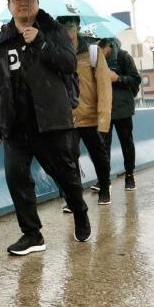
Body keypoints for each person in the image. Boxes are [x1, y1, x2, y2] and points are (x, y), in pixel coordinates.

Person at [0, 0, 91, 255]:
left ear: (38, 1)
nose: (24, 3)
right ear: (9, 4)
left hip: (51, 121)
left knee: (65, 174)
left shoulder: (53, 30)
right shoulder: (1, 40)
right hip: (15, 124)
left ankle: (79, 210)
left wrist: (41, 42)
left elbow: (69, 64)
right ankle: (32, 234)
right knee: (16, 177)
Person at [57, 16, 113, 208]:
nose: (67, 30)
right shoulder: (55, 52)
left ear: (78, 27)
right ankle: (73, 199)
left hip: (90, 117)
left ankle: (105, 188)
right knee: (68, 161)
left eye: (71, 26)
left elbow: (105, 86)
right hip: (67, 119)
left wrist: (103, 118)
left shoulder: (92, 52)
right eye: (62, 26)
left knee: (99, 156)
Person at [99, 36, 142, 192]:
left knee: (126, 143)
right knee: (103, 146)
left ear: (109, 46)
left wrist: (118, 78)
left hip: (123, 108)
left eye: (102, 49)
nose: (100, 52)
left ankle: (129, 175)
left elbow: (136, 79)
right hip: (105, 108)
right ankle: (104, 179)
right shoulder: (98, 60)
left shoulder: (123, 56)